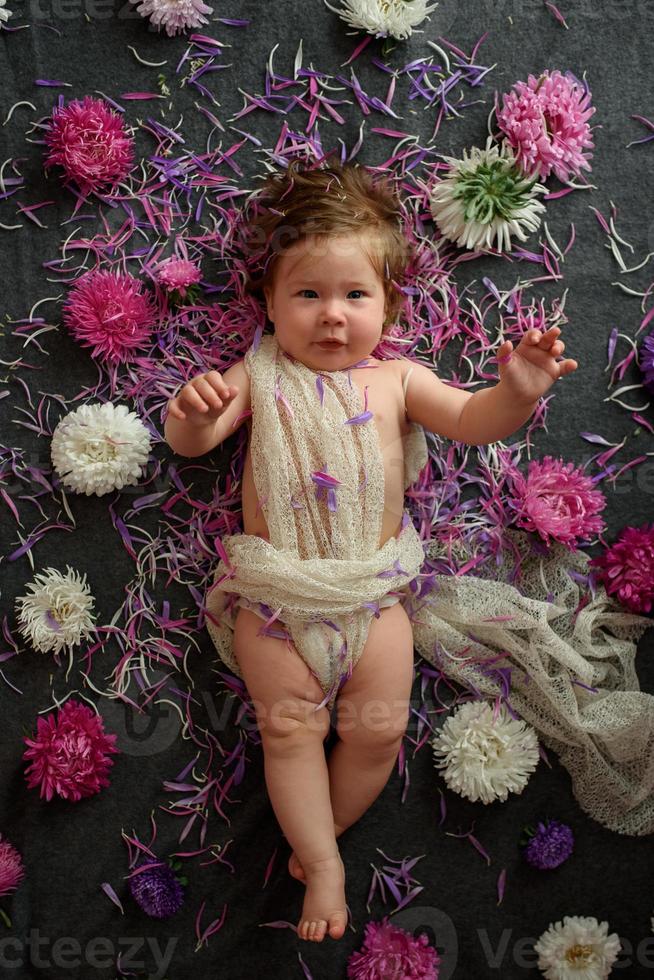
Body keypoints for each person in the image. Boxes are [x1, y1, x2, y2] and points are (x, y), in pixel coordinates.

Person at [164, 160, 578, 943]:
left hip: (372, 597)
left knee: (379, 730)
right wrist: (190, 413)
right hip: (279, 599)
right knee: (287, 728)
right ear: (270, 304)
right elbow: (196, 443)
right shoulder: (256, 374)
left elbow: (470, 417)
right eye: (308, 294)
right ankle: (322, 864)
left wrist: (517, 393)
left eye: (356, 295)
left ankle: (323, 828)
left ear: (389, 304)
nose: (331, 317)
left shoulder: (396, 380)